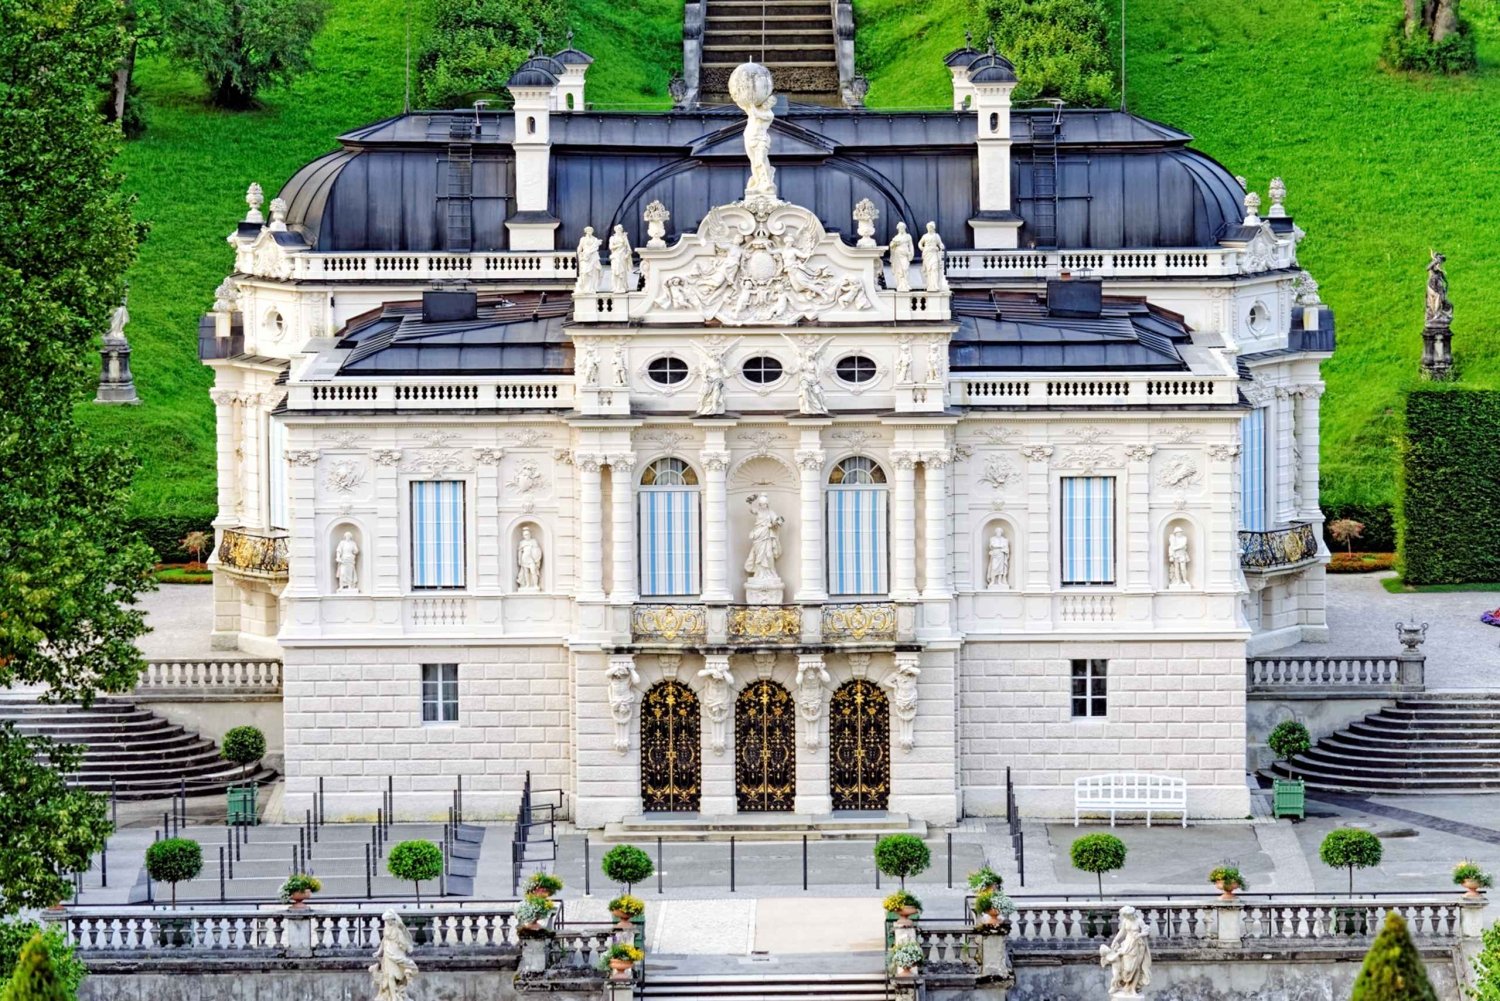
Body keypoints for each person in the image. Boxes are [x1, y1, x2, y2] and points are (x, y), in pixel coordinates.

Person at [888, 222, 914, 293]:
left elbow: (911, 245)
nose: (901, 229)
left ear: (904, 228)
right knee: (899, 270)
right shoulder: (896, 237)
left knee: (905, 268)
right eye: (900, 228)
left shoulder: (908, 236)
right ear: (898, 229)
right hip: (897, 255)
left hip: (905, 254)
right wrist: (895, 244)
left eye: (902, 227)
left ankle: (906, 284)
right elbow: (891, 246)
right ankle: (900, 285)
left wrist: (911, 253)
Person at [516, 527, 543, 591]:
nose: (527, 536)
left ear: (530, 534)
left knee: (533, 571)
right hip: (524, 559)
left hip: (531, 559)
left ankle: (535, 585)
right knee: (526, 572)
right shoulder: (522, 542)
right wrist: (519, 560)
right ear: (523, 536)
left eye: (527, 534)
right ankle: (527, 585)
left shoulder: (533, 541)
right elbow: (520, 552)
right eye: (525, 535)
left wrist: (537, 559)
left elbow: (537, 550)